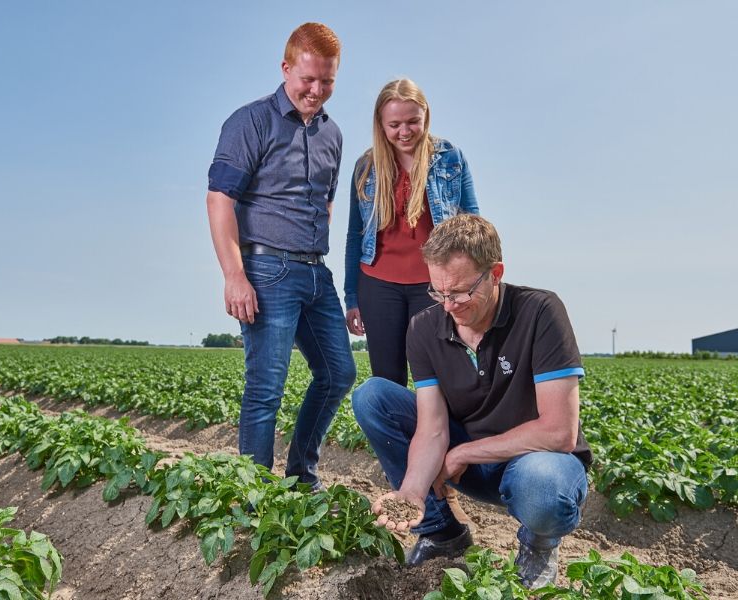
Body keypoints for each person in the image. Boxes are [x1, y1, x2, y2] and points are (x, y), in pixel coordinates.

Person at [352, 214, 592, 589]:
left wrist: (463, 454)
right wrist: (413, 490)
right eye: (438, 292)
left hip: (533, 464)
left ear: (495, 272)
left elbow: (559, 432)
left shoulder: (540, 312)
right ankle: (439, 531)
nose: (449, 305)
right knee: (373, 397)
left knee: (546, 488)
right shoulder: (426, 327)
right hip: (476, 471)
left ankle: (539, 546)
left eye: (461, 292)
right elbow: (432, 428)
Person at [206, 22, 356, 491]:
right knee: (266, 386)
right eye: (307, 79)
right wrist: (235, 275)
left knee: (338, 374)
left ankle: (300, 477)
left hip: (315, 271)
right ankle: (255, 495)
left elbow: (326, 200)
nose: (316, 90)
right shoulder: (249, 121)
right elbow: (219, 200)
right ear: (286, 68)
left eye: (327, 80)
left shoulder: (333, 134)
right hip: (267, 270)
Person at [344, 78, 479, 387]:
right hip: (377, 286)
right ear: (380, 124)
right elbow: (355, 235)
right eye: (394, 124)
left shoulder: (450, 158)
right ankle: (395, 437)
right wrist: (352, 297)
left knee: (439, 378)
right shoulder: (365, 166)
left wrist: (473, 288)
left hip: (434, 286)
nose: (404, 132)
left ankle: (440, 437)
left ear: (425, 117)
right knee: (387, 380)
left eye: (412, 122)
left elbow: (473, 226)